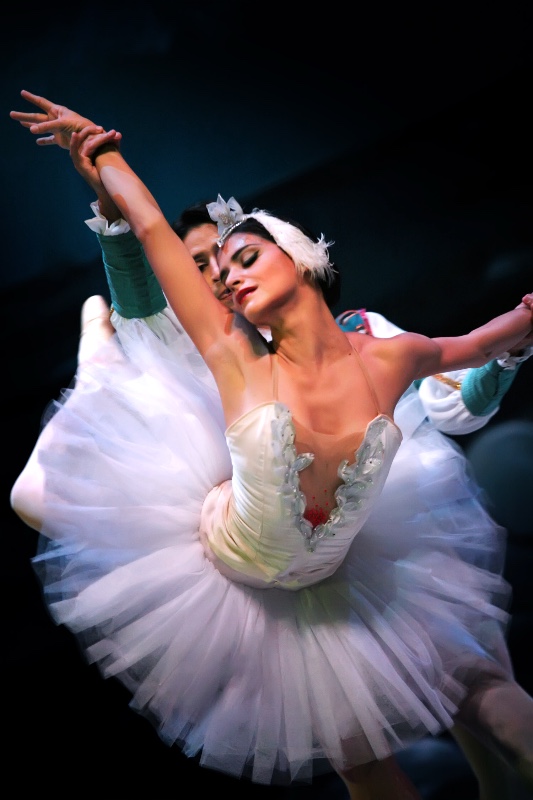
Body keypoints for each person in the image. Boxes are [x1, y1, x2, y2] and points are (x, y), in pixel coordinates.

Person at [10, 93, 533, 800]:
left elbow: (468, 351)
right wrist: (102, 158)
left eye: (241, 258)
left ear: (301, 258)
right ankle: (96, 349)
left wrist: (519, 329)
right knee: (42, 487)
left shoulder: (385, 349)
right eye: (214, 269)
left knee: (464, 692)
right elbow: (149, 232)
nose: (225, 276)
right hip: (228, 548)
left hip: (334, 560)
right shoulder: (230, 352)